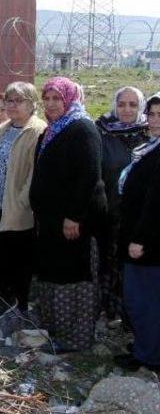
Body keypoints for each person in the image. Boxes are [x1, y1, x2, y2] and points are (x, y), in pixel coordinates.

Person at [30, 76, 106, 352]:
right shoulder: (52, 130)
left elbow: (89, 178)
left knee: (73, 275)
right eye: (47, 98)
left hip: (73, 223)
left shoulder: (82, 129)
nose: (50, 104)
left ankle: (75, 338)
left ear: (70, 99)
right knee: (53, 270)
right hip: (51, 220)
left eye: (57, 99)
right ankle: (55, 329)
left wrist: (74, 216)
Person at [0, 82, 47, 320]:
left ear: (31, 104)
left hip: (17, 208)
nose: (13, 105)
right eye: (10, 101)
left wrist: (22, 202)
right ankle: (1, 296)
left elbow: (35, 173)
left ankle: (15, 302)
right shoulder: (4, 128)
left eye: (20, 101)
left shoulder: (38, 131)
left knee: (16, 256)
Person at [115, 93, 160, 372]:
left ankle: (149, 356)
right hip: (140, 237)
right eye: (152, 114)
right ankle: (147, 347)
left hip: (148, 244)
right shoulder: (151, 148)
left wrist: (140, 239)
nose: (154, 121)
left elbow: (156, 203)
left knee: (143, 301)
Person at [95, 86, 148, 322]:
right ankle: (109, 308)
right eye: (122, 104)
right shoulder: (102, 133)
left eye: (133, 104)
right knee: (109, 260)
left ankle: (132, 314)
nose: (127, 109)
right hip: (109, 211)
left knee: (134, 264)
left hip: (139, 216)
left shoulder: (149, 134)